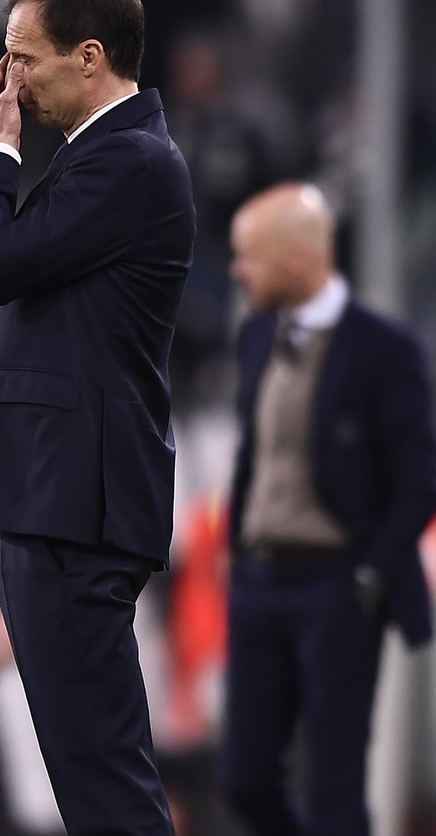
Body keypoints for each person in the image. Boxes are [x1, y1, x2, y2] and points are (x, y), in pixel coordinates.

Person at [0, 0, 196, 836]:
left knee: (102, 778)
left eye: (24, 57)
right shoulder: (98, 159)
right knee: (87, 774)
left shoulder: (130, 161)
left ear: (89, 57)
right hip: (49, 499)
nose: (9, 79)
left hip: (72, 507)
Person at [221, 183, 436, 836]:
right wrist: (237, 552)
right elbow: (253, 455)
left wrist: (369, 573)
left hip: (335, 586)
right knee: (245, 780)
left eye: (249, 257)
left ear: (297, 258)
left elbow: (419, 478)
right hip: (259, 582)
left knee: (334, 789)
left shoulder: (383, 349)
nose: (237, 271)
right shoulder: (257, 335)